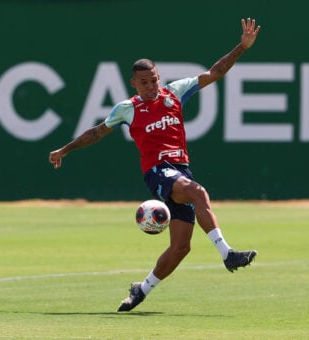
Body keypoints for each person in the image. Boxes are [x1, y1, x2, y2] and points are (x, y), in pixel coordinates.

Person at [49, 18, 260, 312]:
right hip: (157, 172)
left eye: (154, 80)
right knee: (198, 193)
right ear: (134, 83)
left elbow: (216, 71)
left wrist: (242, 47)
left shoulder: (175, 92)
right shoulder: (128, 108)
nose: (150, 86)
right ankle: (227, 254)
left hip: (180, 170)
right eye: (144, 82)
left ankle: (141, 290)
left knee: (181, 247)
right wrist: (65, 149)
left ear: (159, 77)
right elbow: (96, 132)